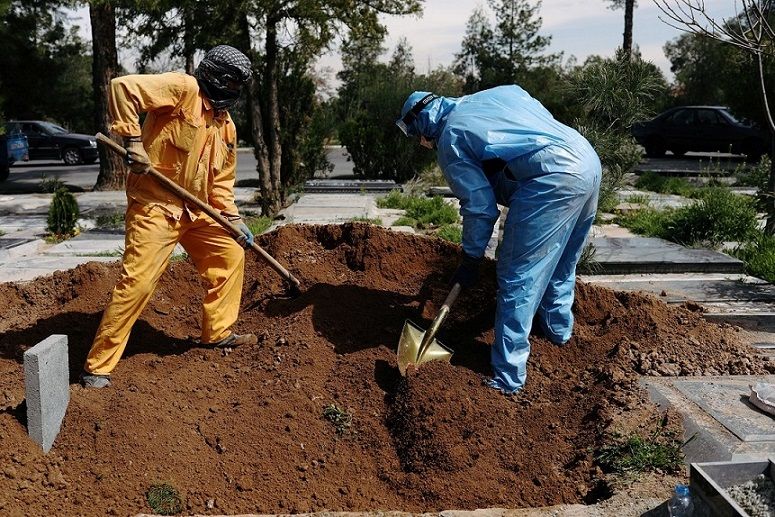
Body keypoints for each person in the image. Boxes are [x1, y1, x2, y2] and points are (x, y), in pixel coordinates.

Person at [396, 86, 602, 394]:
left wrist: (471, 257)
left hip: (549, 179)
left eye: (418, 137)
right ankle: (558, 334)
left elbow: (480, 207)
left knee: (518, 276)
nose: (422, 143)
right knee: (562, 262)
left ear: (423, 126)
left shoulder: (451, 137)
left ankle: (508, 378)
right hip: (586, 159)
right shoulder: (493, 95)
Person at [81, 45, 257, 388]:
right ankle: (97, 366)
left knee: (230, 254)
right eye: (233, 84)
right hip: (156, 207)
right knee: (139, 282)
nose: (236, 91)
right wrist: (133, 142)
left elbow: (222, 182)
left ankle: (217, 333)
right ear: (219, 79)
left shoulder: (225, 126)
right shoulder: (183, 89)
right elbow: (122, 88)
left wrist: (232, 219)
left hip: (197, 210)